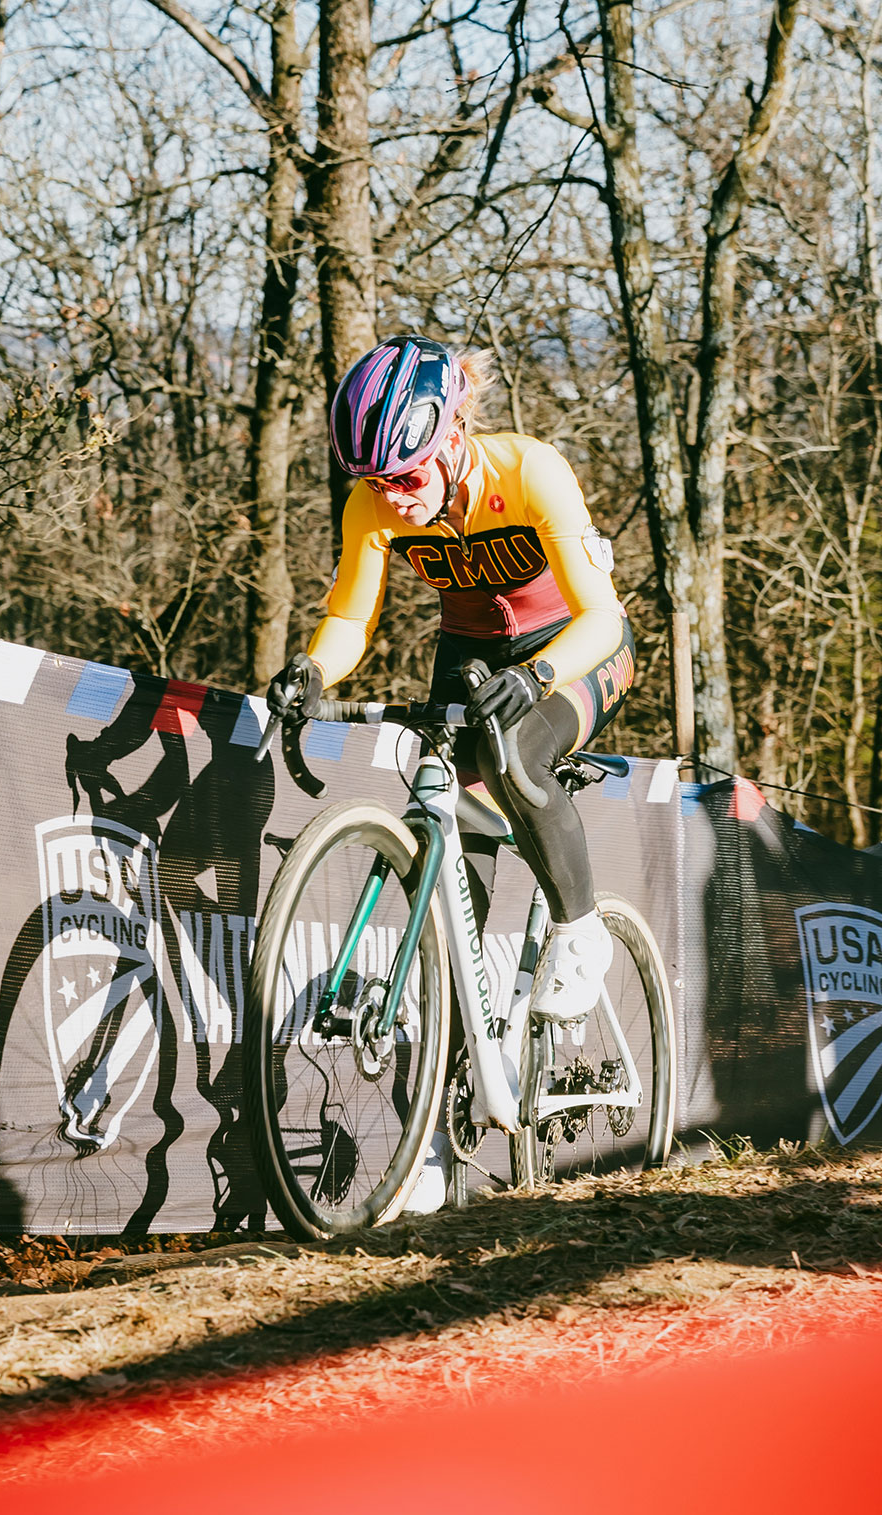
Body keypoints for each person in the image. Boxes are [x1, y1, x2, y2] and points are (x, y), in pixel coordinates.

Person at [267, 334, 634, 1208]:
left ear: (452, 435)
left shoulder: (530, 472)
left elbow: (604, 619)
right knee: (449, 876)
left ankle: (580, 929)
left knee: (514, 752)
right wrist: (313, 670)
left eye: (406, 476)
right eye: (375, 482)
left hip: (574, 651)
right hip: (468, 654)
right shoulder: (373, 504)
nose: (393, 498)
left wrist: (539, 676)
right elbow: (350, 617)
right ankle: (445, 1120)